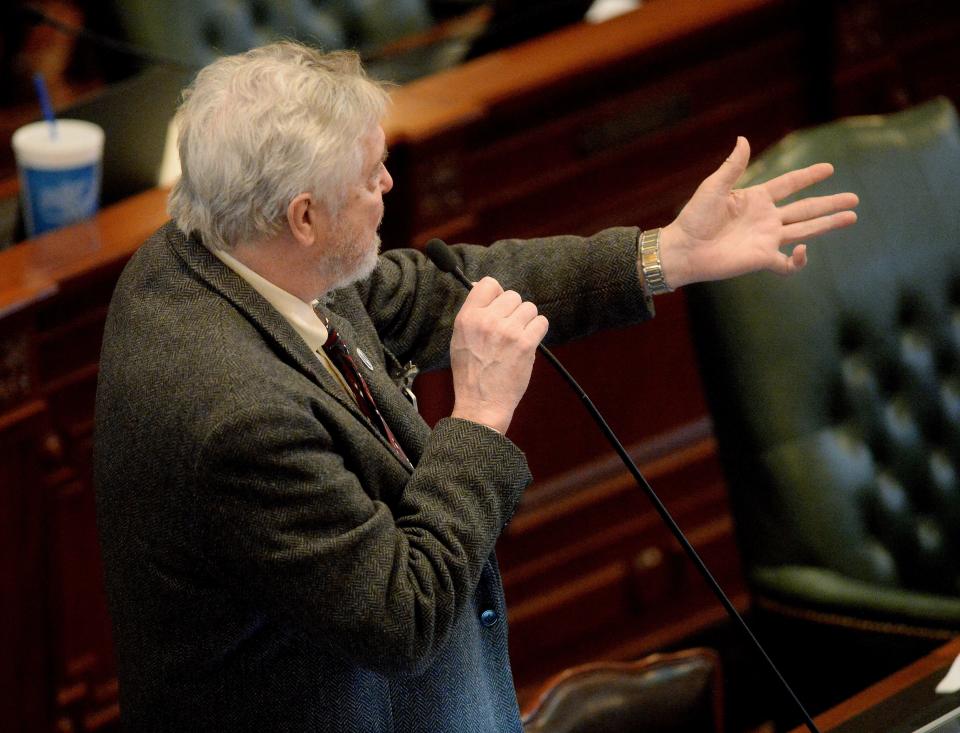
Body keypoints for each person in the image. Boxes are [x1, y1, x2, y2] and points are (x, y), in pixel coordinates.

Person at [93, 42, 858, 732]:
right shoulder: (236, 419)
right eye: (370, 177)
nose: (389, 183)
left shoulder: (216, 248)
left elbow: (435, 291)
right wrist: (481, 416)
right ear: (304, 217)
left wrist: (667, 255)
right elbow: (401, 614)